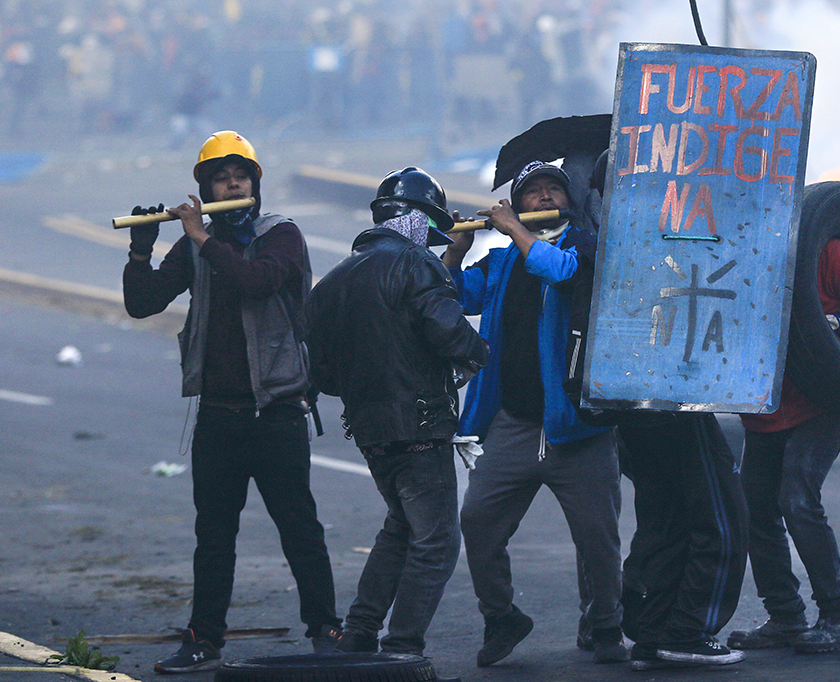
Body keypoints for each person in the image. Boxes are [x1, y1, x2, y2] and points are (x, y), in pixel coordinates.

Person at [123, 131, 341, 674]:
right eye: (220, 177)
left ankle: (327, 627)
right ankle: (204, 638)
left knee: (300, 529)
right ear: (205, 185)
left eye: (240, 175)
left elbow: (255, 281)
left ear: (256, 182)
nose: (232, 183)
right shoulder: (198, 244)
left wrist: (199, 236)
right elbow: (142, 302)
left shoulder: (281, 235)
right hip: (219, 417)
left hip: (278, 413)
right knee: (213, 537)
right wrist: (141, 247)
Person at [562, 150, 748, 671]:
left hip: (628, 406)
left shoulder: (596, 238)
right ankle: (687, 630)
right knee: (719, 517)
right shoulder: (643, 239)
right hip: (668, 400)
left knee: (663, 519)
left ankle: (649, 631)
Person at [441, 160, 628, 667]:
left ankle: (606, 622)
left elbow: (558, 271)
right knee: (477, 522)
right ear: (519, 203)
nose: (544, 198)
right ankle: (501, 617)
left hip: (578, 428)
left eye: (553, 191)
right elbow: (453, 297)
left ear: (568, 202)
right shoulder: (501, 261)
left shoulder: (585, 247)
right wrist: (455, 254)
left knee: (598, 539)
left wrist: (516, 229)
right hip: (514, 425)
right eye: (532, 192)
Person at [303, 167, 489, 658]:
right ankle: (402, 646)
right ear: (415, 221)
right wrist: (483, 352)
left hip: (370, 429)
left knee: (401, 527)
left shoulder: (333, 281)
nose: (430, 244)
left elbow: (321, 375)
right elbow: (448, 332)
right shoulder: (414, 264)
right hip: (421, 424)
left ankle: (360, 630)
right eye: (429, 234)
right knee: (438, 542)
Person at [727, 238, 840, 655]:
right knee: (755, 510)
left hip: (823, 399)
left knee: (797, 498)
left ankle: (839, 612)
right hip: (764, 406)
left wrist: (835, 322)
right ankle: (785, 616)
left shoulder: (826, 251)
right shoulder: (733, 249)